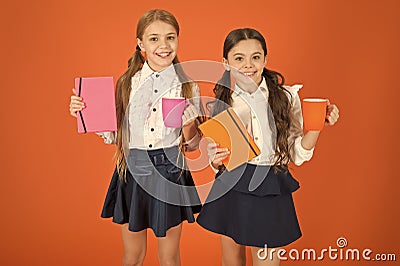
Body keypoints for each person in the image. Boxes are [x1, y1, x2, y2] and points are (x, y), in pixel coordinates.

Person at [69, 9, 203, 266]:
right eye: (153, 39)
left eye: (170, 37)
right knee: (132, 256)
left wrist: (189, 125)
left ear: (178, 40)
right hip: (133, 171)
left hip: (170, 173)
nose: (163, 46)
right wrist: (85, 110)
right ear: (140, 43)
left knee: (170, 257)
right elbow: (114, 134)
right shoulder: (127, 84)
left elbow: (193, 145)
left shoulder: (188, 85)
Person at [196, 28, 339, 266]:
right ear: (226, 63)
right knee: (232, 260)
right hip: (232, 184)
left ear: (265, 59)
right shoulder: (222, 100)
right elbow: (219, 159)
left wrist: (315, 126)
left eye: (256, 57)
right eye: (238, 58)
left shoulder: (285, 96)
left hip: (270, 184)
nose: (248, 65)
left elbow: (297, 153)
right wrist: (215, 160)